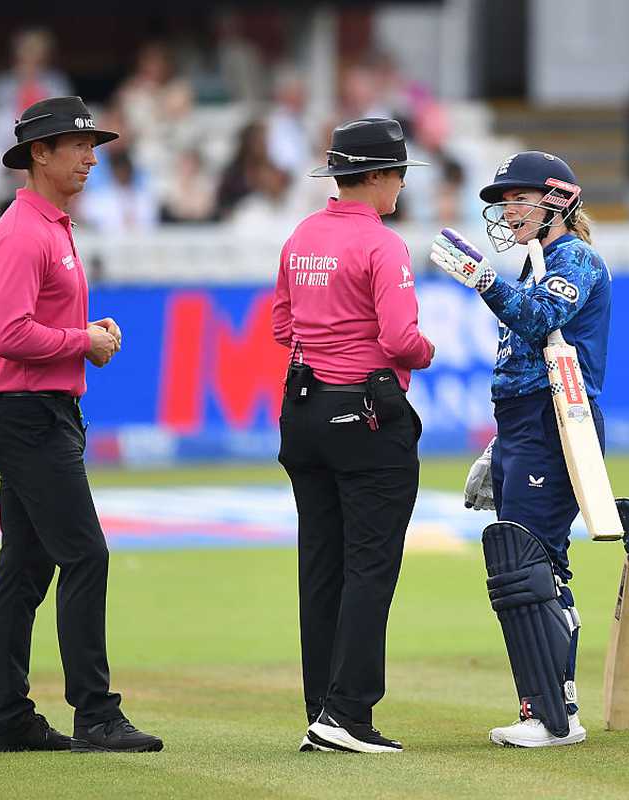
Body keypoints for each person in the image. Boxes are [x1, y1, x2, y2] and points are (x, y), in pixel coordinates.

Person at [0, 96, 162, 753]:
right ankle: (97, 714)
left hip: (36, 411)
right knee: (84, 555)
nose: (90, 158)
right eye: (77, 146)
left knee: (25, 568)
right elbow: (8, 333)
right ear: (40, 154)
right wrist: (83, 341)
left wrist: (82, 332)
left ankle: (6, 718)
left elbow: (29, 325)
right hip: (29, 414)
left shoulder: (48, 226)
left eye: (93, 146)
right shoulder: (24, 232)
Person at [429, 151, 611, 747]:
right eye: (503, 201)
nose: (508, 211)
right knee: (526, 565)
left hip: (555, 419)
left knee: (533, 563)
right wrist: (500, 445)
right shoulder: (536, 264)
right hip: (521, 424)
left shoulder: (574, 258)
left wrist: (484, 280)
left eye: (519, 198)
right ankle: (547, 703)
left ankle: (554, 714)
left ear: (557, 200)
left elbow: (540, 319)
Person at [271, 117, 434, 754]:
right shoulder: (382, 245)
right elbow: (400, 339)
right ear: (375, 175)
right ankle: (347, 715)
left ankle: (322, 707)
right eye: (397, 173)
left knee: (321, 564)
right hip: (366, 414)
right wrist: (425, 351)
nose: (401, 185)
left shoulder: (302, 235)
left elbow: (282, 327)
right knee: (370, 564)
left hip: (303, 410)